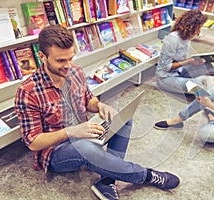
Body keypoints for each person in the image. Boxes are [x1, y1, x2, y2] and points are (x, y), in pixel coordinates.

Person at [14, 24, 180, 200]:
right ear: (42, 57)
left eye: (71, 58)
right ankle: (145, 175)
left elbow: (88, 100)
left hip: (84, 133)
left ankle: (107, 181)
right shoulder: (27, 91)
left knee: (123, 119)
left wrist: (100, 106)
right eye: (61, 61)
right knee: (84, 148)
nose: (68, 65)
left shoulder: (75, 71)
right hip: (56, 152)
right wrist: (70, 132)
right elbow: (33, 142)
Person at [154, 10, 214, 129]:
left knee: (209, 67)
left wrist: (197, 61)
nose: (199, 31)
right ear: (191, 27)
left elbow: (181, 60)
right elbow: (165, 67)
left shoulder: (187, 37)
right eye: (198, 28)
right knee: (198, 85)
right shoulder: (172, 39)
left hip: (180, 71)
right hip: (166, 77)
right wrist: (190, 61)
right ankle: (210, 114)